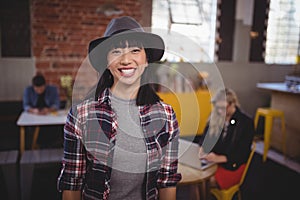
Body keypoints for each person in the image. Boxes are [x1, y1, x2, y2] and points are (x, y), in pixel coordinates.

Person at [57, 16, 182, 200]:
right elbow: (72, 184)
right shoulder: (81, 115)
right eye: (116, 51)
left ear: (146, 59)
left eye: (135, 50)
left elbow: (167, 182)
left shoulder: (166, 115)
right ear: (107, 62)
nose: (126, 60)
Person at [198, 88, 254, 190]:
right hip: (214, 163)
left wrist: (218, 158)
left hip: (233, 166)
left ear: (233, 104)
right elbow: (205, 139)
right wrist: (202, 149)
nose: (219, 111)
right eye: (217, 107)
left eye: (223, 108)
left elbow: (242, 154)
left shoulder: (246, 123)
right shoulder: (216, 116)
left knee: (202, 182)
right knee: (198, 180)